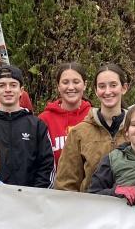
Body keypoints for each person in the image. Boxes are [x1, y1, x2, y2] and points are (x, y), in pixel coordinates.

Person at [54, 63, 130, 194]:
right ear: (95, 90)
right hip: (90, 205)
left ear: (124, 88)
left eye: (113, 85)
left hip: (130, 205)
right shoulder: (79, 133)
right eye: (102, 86)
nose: (107, 91)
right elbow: (66, 184)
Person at [0, 65, 52, 188]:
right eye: (2, 85)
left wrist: (36, 193)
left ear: (21, 90)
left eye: (13, 85)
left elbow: (46, 164)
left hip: (31, 196)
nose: (8, 90)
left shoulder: (37, 125)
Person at [39, 62, 91, 168]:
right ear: (58, 86)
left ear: (85, 85)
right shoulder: (44, 120)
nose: (71, 87)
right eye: (65, 82)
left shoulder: (94, 116)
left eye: (76, 82)